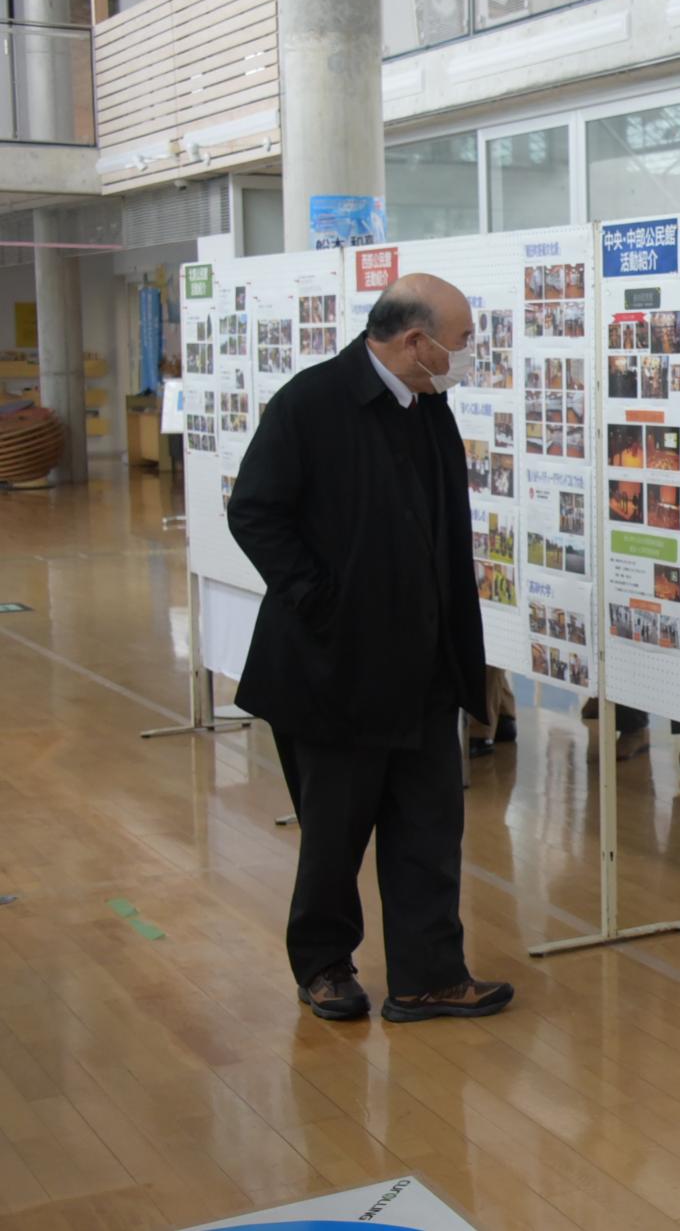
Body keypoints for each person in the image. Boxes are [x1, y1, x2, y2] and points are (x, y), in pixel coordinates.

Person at [227, 274, 514, 1024]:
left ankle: (429, 974)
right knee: (335, 833)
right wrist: (320, 598)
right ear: (414, 340)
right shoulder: (312, 403)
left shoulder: (428, 408)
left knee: (429, 828)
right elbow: (255, 511)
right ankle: (324, 966)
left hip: (421, 666)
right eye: (459, 340)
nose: (466, 355)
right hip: (333, 671)